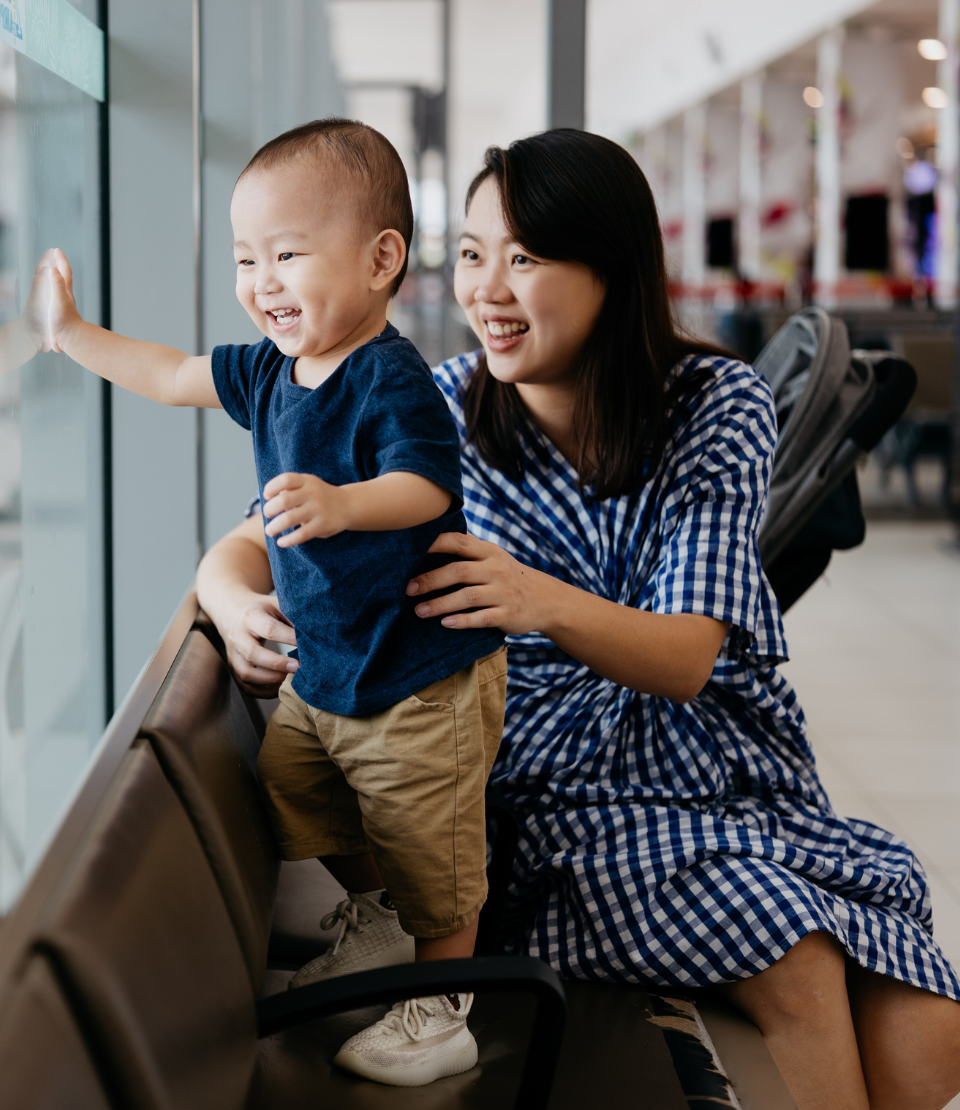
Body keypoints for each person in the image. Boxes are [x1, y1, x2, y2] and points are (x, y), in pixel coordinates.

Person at [199, 128, 960, 1110]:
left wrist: (534, 597)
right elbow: (249, 542)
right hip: (549, 787)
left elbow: (689, 657)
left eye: (525, 257)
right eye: (473, 254)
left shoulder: (714, 403)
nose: (487, 291)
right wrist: (225, 596)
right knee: (797, 957)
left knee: (933, 1036)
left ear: (612, 269)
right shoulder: (439, 410)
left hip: (716, 758)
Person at [32, 118, 508, 1089]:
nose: (262, 283)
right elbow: (167, 375)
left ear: (381, 261)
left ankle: (445, 1001)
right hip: (331, 672)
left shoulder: (393, 377)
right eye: (248, 259)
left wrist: (340, 504)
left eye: (288, 254)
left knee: (434, 847)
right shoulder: (265, 372)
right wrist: (71, 336)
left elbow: (424, 488)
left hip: (418, 680)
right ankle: (376, 921)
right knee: (300, 790)